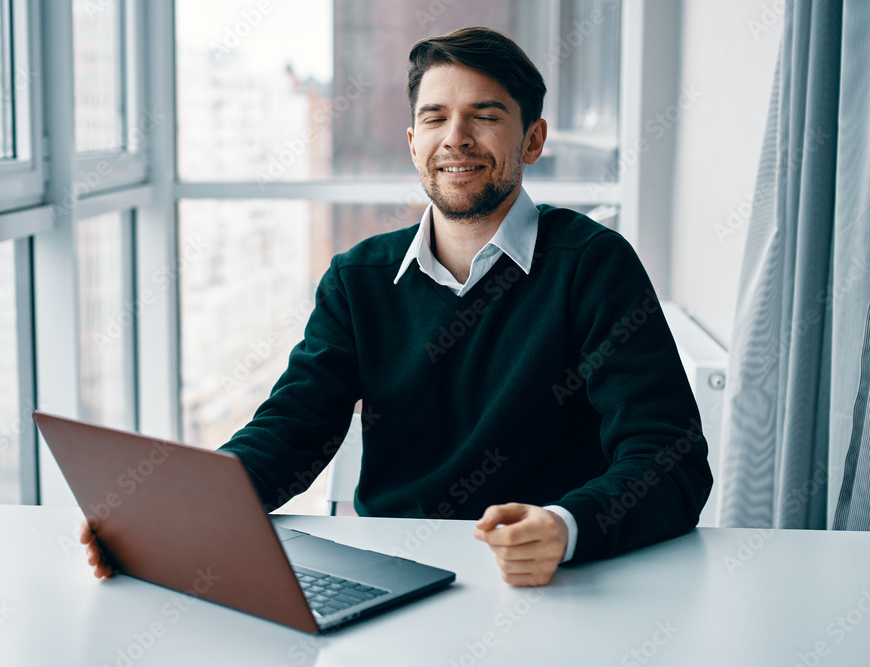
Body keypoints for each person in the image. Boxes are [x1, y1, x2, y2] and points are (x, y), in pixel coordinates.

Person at [83, 26, 712, 587]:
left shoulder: (594, 265)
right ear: (414, 143)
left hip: (547, 582)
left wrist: (567, 527)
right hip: (395, 579)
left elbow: (670, 457)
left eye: (485, 115)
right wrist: (174, 514)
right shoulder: (358, 278)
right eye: (435, 118)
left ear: (533, 138)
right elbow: (290, 431)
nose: (456, 138)